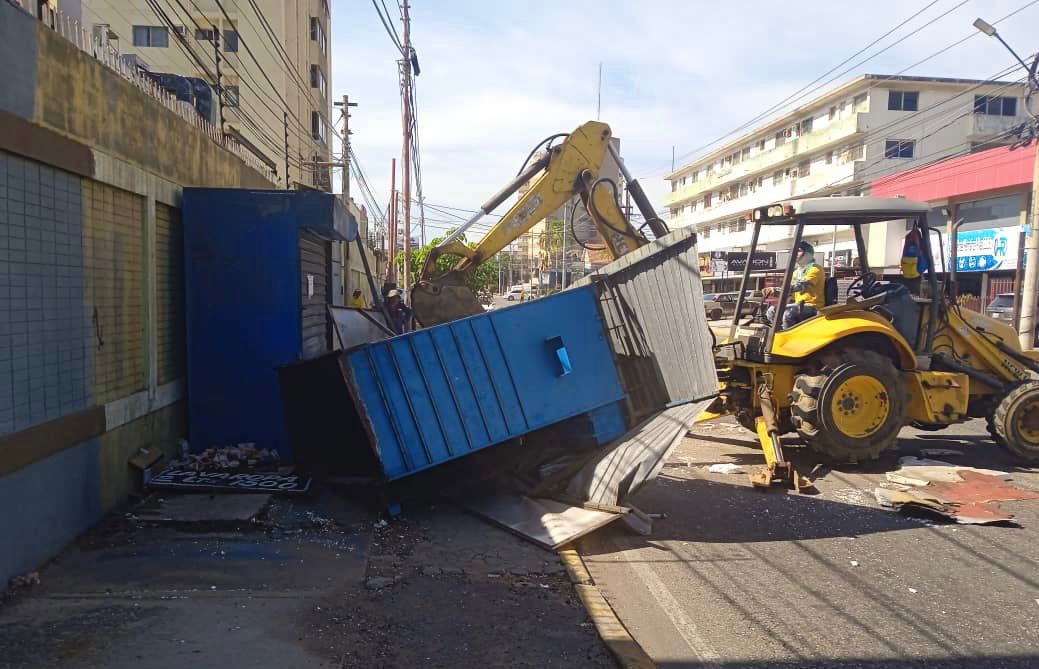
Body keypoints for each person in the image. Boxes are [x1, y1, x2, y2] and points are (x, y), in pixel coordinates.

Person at [764, 241, 824, 329]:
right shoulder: (796, 272)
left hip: (812, 306)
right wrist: (774, 292)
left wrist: (778, 290)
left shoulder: (815, 269)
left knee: (788, 314)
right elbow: (789, 291)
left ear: (808, 253)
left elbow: (801, 286)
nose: (795, 254)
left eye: (798, 251)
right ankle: (778, 333)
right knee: (771, 311)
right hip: (798, 304)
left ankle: (788, 338)